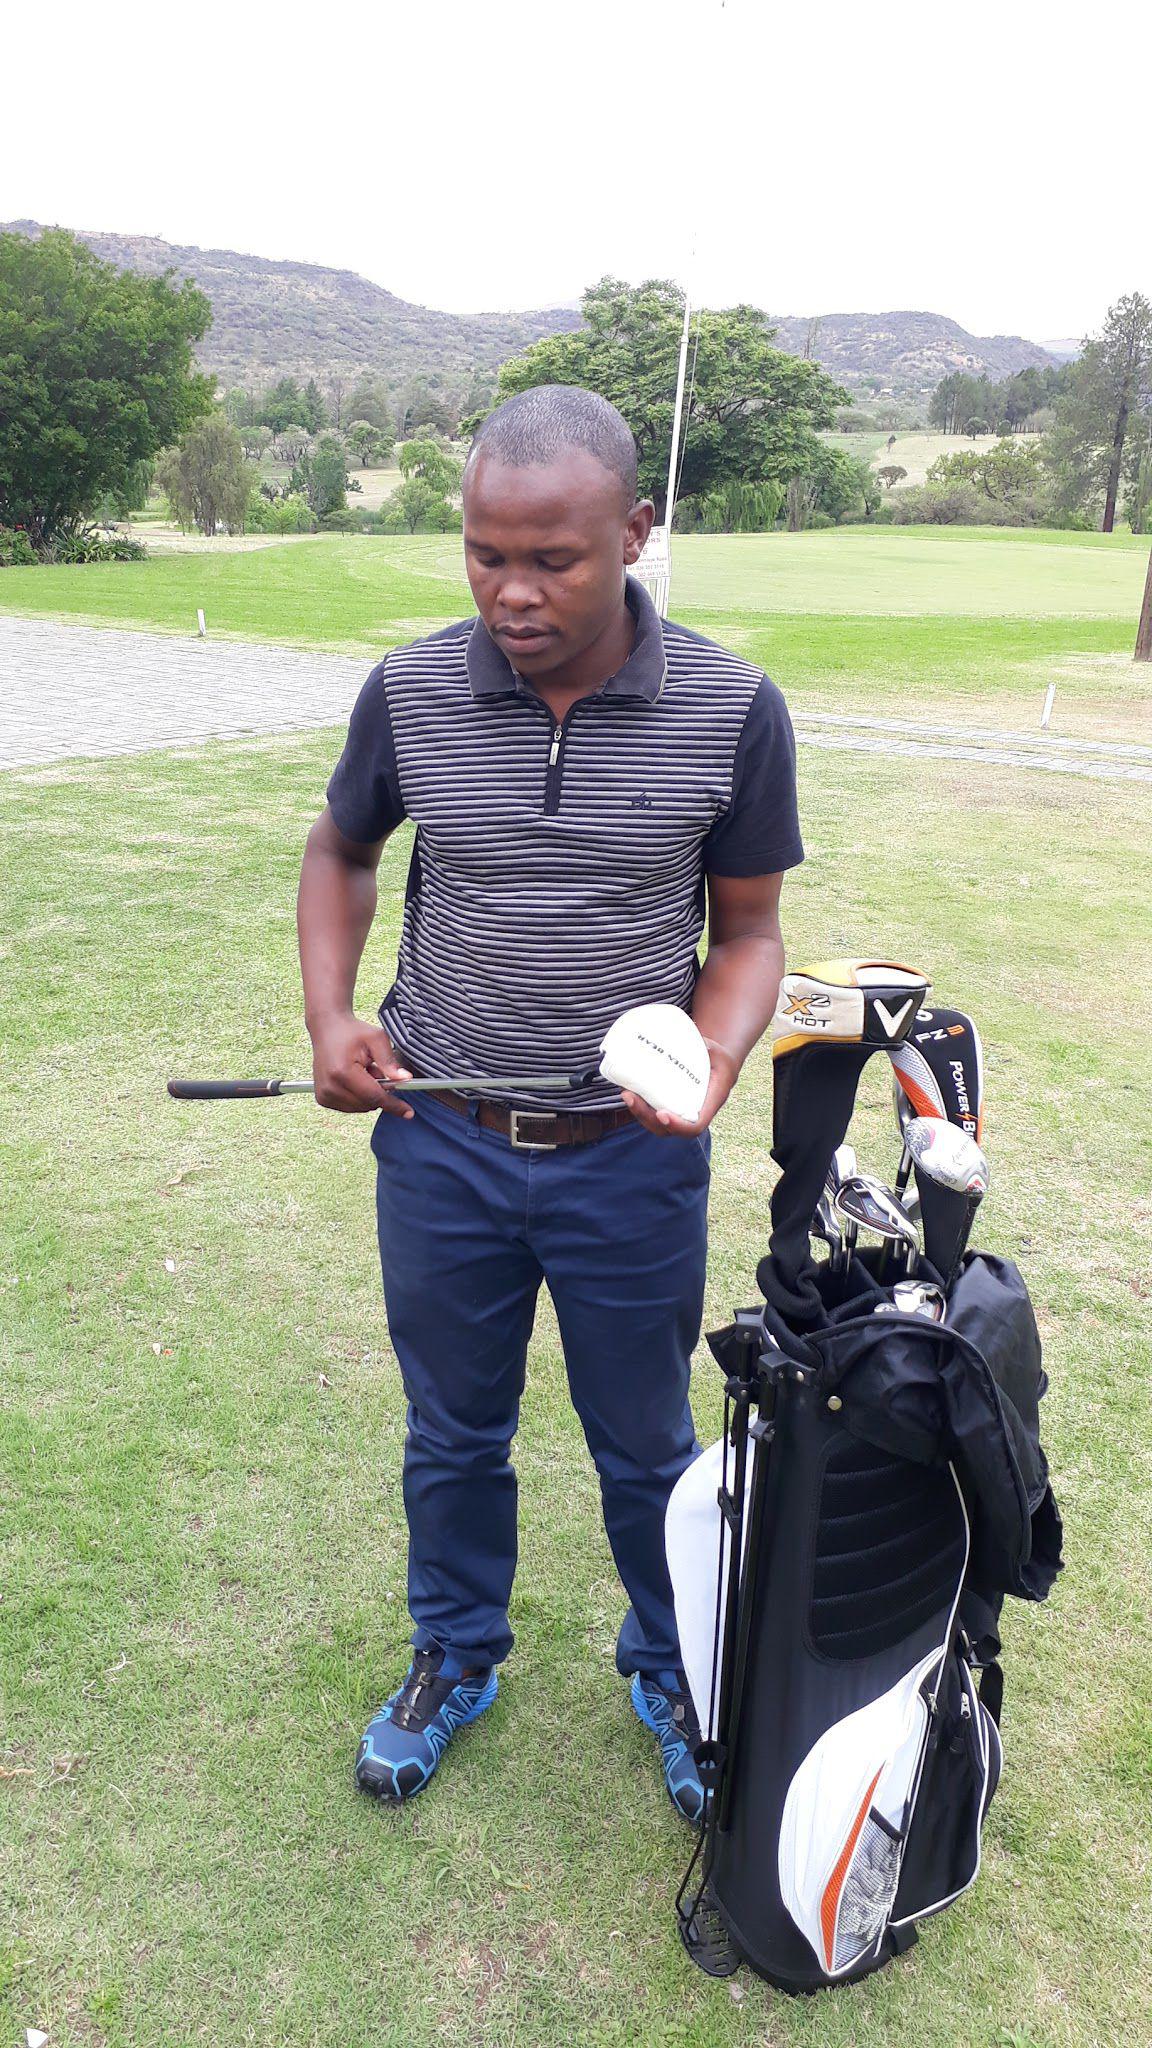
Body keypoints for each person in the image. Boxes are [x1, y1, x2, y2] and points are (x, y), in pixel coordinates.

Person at [296, 386, 803, 1823]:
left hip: (623, 1165)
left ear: (636, 533)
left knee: (645, 1439)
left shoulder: (730, 708)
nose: (513, 593)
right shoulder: (408, 692)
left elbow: (750, 929)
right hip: (440, 1139)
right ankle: (455, 1655)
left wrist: (711, 1057)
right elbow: (339, 855)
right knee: (452, 1429)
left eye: (555, 560)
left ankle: (673, 1666)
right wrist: (334, 1019)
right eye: (483, 554)